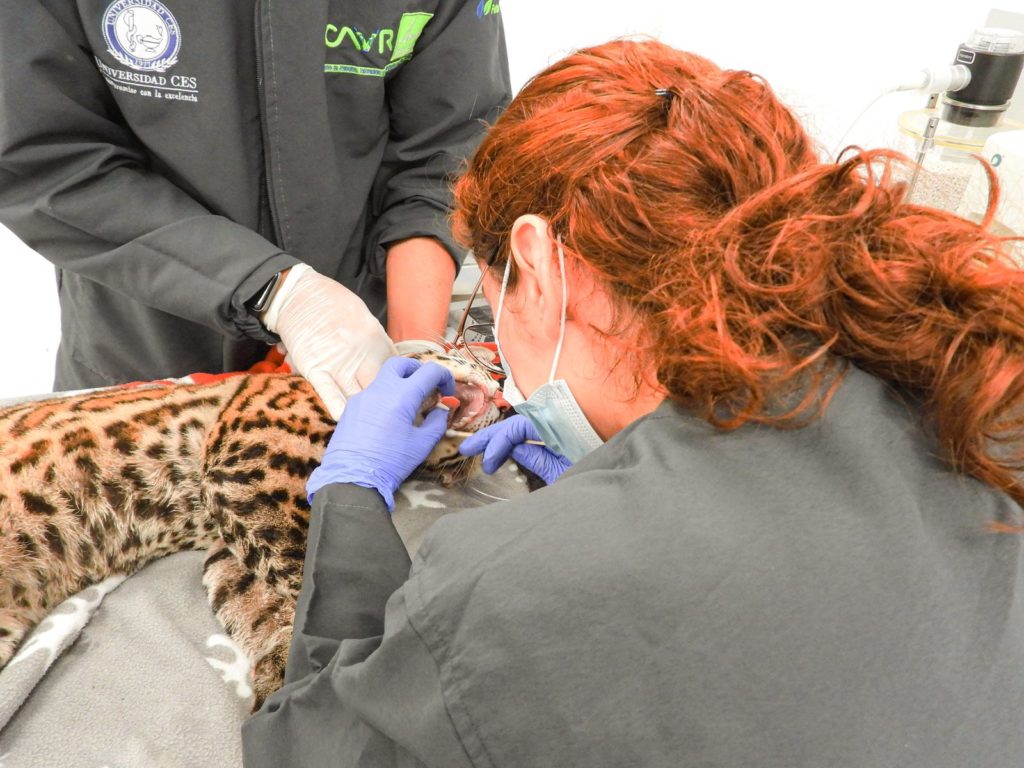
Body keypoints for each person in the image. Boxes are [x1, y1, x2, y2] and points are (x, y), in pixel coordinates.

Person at [241, 39, 1024, 766]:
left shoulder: (504, 589)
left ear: (535, 262)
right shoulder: (964, 381)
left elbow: (307, 745)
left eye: (492, 290)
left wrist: (348, 495)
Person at [0, 1, 510, 417]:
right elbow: (45, 159)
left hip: (350, 370)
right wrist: (276, 292)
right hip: (140, 374)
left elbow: (444, 151)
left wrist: (412, 353)